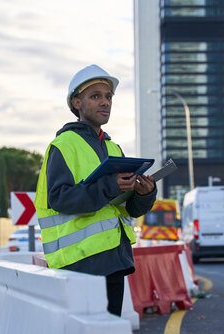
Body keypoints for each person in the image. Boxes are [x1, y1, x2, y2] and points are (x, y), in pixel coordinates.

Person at [34, 64, 157, 316]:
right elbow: (59, 199)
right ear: (77, 103)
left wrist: (144, 194)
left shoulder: (114, 148)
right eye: (96, 96)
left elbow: (127, 208)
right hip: (80, 262)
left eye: (108, 96)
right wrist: (110, 186)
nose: (105, 102)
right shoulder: (63, 145)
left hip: (114, 257)